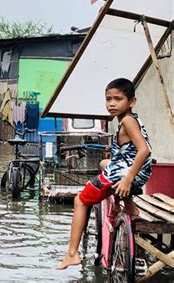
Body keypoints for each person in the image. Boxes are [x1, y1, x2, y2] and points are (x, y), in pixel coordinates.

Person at [57, 78, 152, 270]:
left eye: (118, 99)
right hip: (135, 170)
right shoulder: (131, 119)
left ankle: (72, 254)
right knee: (103, 163)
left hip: (127, 173)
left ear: (131, 101)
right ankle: (129, 206)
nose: (112, 103)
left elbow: (144, 150)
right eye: (108, 99)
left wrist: (128, 179)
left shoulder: (126, 121)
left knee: (80, 200)